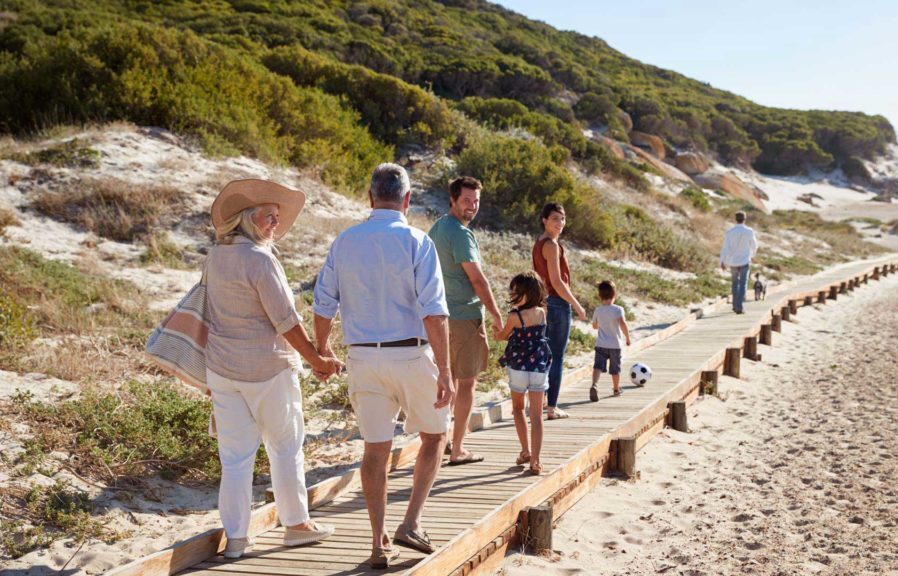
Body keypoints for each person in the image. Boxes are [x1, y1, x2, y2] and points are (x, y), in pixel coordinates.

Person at [312, 163, 454, 569]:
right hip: (410, 354)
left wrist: (322, 350)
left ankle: (378, 543)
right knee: (434, 434)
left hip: (362, 357)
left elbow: (323, 304)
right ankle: (411, 522)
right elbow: (435, 313)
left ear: (370, 198)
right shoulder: (417, 241)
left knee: (374, 451)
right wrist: (444, 369)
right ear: (407, 200)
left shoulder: (345, 241)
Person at [205, 179, 343, 559]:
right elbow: (286, 321)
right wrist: (318, 359)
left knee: (234, 458)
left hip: (222, 368)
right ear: (248, 219)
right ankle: (296, 525)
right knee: (284, 447)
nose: (274, 226)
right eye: (268, 217)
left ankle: (236, 539)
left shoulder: (216, 255)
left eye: (277, 219)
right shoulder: (260, 260)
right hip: (267, 368)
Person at [428, 176, 502, 466]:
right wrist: (496, 315)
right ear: (453, 200)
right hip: (464, 316)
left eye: (476, 201)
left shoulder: (437, 227)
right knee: (466, 383)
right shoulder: (459, 232)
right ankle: (457, 448)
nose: (472, 206)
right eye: (467, 200)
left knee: (447, 382)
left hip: (439, 315)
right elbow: (478, 280)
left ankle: (442, 441)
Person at [532, 203, 586, 420]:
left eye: (562, 219)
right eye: (555, 218)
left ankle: (542, 403)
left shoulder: (539, 243)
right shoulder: (551, 246)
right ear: (544, 220)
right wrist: (577, 305)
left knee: (545, 356)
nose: (560, 223)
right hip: (556, 303)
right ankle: (552, 407)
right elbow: (556, 281)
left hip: (544, 303)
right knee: (556, 357)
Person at [496, 272, 552, 475]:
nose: (513, 294)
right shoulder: (541, 312)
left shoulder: (514, 316)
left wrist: (496, 332)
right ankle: (536, 460)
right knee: (536, 415)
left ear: (526, 294)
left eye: (516, 292)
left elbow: (503, 336)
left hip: (518, 366)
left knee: (518, 408)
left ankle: (525, 450)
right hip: (538, 366)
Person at [589, 280, 631, 400]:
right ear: (615, 295)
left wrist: (600, 325)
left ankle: (594, 385)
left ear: (599, 296)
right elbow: (623, 324)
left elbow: (594, 326)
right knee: (615, 369)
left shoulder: (598, 310)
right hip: (615, 345)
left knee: (597, 366)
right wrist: (627, 337)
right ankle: (616, 389)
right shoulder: (618, 309)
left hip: (601, 344)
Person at [720, 211, 758, 314]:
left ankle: (734, 305)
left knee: (734, 283)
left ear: (735, 219)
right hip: (745, 261)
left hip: (733, 262)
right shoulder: (749, 231)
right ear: (744, 219)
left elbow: (725, 248)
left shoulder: (730, 232)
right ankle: (739, 306)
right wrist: (751, 255)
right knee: (743, 284)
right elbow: (754, 246)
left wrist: (722, 261)